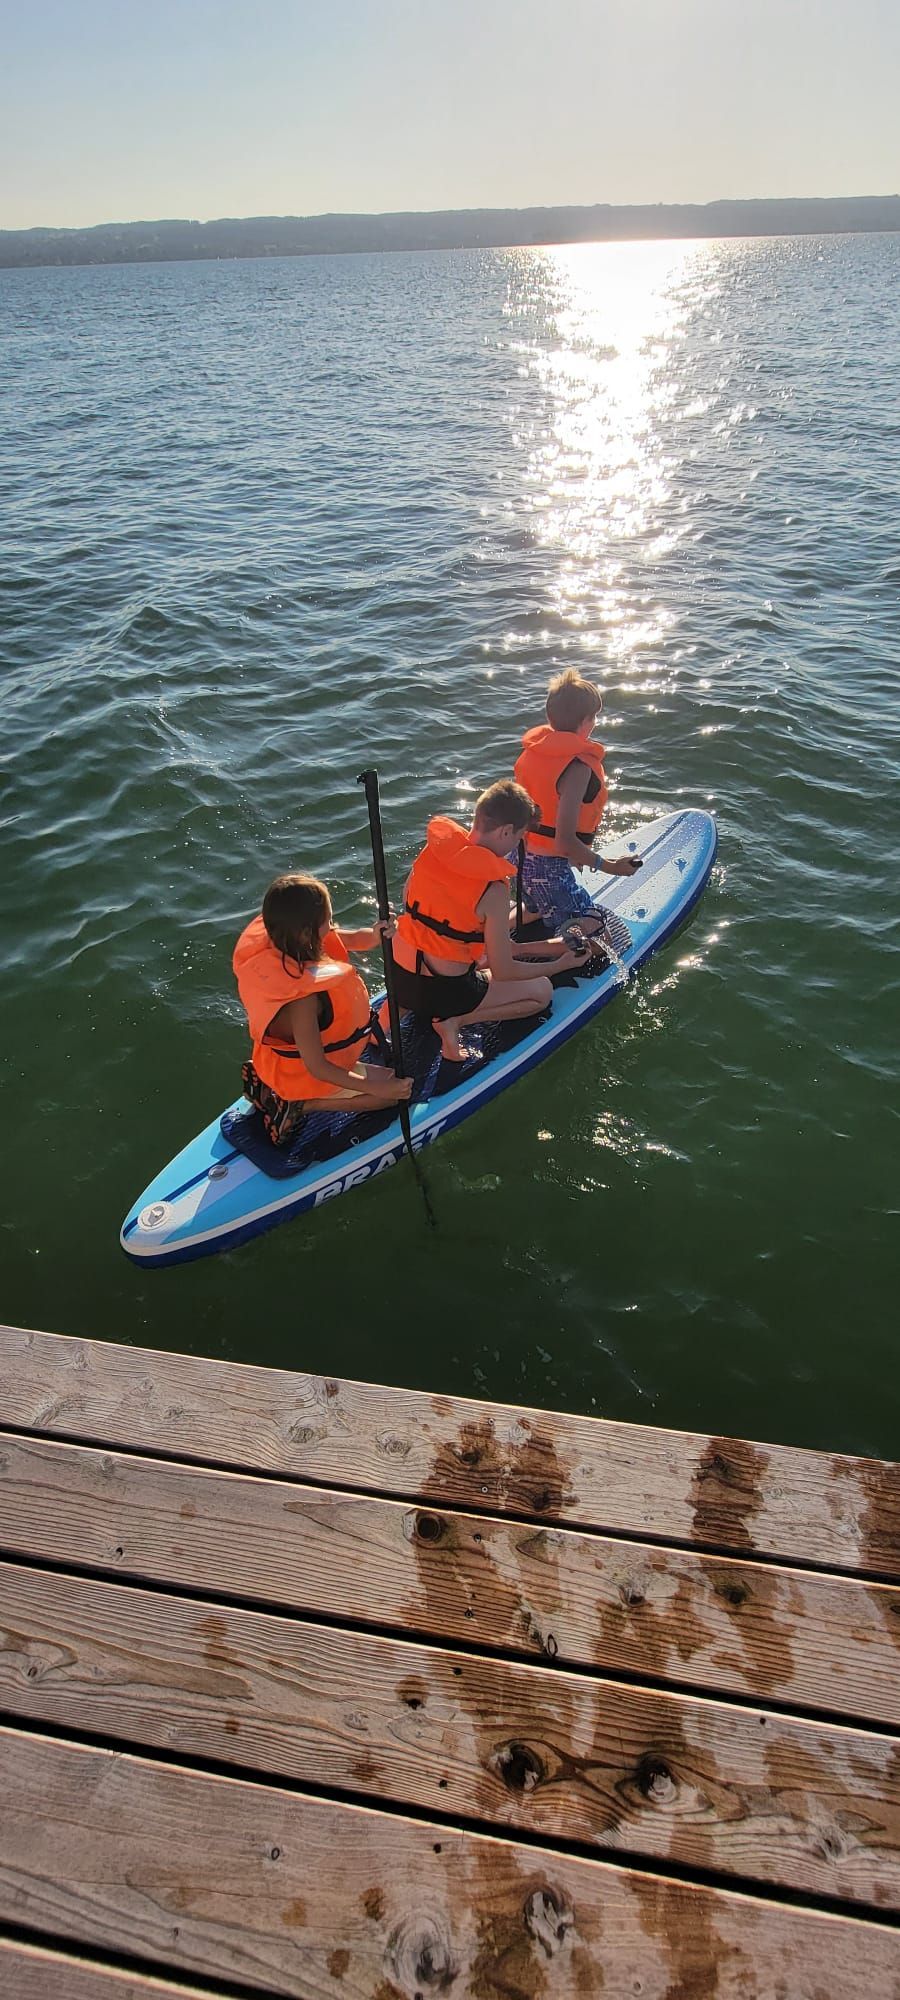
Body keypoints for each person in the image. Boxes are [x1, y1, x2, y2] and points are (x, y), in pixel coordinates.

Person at [391, 779, 580, 1062]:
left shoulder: (433, 851)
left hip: (401, 980)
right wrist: (558, 965)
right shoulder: (493, 889)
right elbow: (504, 970)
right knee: (541, 992)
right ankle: (455, 1021)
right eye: (519, 838)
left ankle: (405, 1012)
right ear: (506, 831)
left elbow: (419, 905)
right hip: (444, 995)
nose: (519, 844)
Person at [233, 873, 412, 1147]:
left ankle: (270, 1084)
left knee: (387, 1084)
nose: (332, 926)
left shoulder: (285, 943)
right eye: (328, 920)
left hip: (272, 1062)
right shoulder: (303, 1000)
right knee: (397, 1090)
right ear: (307, 932)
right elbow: (318, 1067)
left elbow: (349, 940)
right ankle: (301, 1104)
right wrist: (377, 1087)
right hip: (304, 1074)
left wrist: (376, 935)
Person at [514, 667, 641, 937]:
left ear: (550, 716)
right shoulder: (578, 769)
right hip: (548, 870)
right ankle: (511, 954)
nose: (594, 723)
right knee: (598, 929)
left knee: (536, 905)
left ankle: (493, 932)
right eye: (593, 717)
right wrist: (610, 867)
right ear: (586, 722)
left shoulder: (533, 753)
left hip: (520, 858)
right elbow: (564, 842)